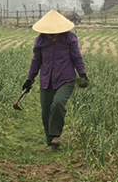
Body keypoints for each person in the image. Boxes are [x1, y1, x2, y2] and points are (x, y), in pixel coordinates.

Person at [22, 10, 88, 149]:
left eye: (54, 34)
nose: (52, 37)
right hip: (47, 80)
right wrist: (29, 80)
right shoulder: (40, 40)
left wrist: (82, 74)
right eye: (49, 35)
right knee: (46, 111)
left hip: (66, 78)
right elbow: (36, 61)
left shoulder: (69, 38)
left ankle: (56, 135)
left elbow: (77, 57)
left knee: (58, 104)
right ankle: (51, 141)